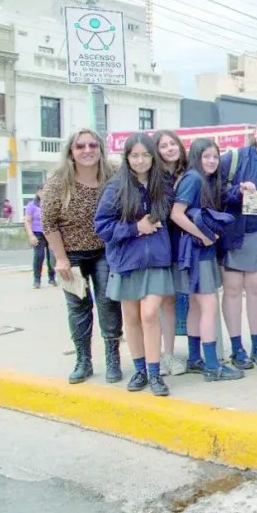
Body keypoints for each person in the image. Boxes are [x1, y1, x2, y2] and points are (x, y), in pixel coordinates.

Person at [94, 133, 175, 396]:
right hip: (127, 262)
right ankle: (139, 370)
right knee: (131, 317)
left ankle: (154, 372)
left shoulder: (163, 184)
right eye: (135, 155)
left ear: (153, 156)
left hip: (157, 261)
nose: (141, 161)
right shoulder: (115, 187)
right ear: (127, 157)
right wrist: (135, 228)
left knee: (150, 314)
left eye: (146, 155)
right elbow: (103, 227)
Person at [41, 128, 123, 385]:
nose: (87, 150)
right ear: (71, 151)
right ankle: (83, 361)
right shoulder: (58, 181)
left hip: (105, 253)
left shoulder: (113, 175)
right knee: (78, 308)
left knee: (108, 304)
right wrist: (61, 258)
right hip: (72, 257)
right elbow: (48, 223)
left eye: (92, 145)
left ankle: (113, 359)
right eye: (80, 146)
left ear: (100, 149)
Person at [171, 138, 242, 382]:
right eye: (207, 156)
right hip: (198, 251)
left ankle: (194, 359)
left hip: (197, 252)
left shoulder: (202, 179)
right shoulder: (194, 179)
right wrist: (205, 236)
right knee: (208, 308)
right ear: (197, 158)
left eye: (215, 156)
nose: (212, 161)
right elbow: (176, 214)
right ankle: (212, 366)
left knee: (195, 307)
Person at [219, 114, 257, 369]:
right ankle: (236, 348)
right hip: (234, 232)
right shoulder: (235, 158)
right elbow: (211, 187)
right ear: (255, 132)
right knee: (233, 290)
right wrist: (236, 192)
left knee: (256, 290)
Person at [153, 129, 189, 377]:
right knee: (154, 303)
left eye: (172, 144)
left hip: (178, 246)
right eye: (163, 145)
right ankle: (154, 356)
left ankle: (169, 354)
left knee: (170, 301)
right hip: (155, 246)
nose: (169, 149)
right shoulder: (153, 178)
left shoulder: (185, 174)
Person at [24, 186, 56, 289]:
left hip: (50, 233)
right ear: (38, 192)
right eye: (43, 191)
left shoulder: (51, 204)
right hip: (38, 233)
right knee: (39, 256)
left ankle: (52, 278)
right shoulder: (32, 205)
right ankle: (37, 280)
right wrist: (31, 235)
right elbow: (27, 221)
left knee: (52, 256)